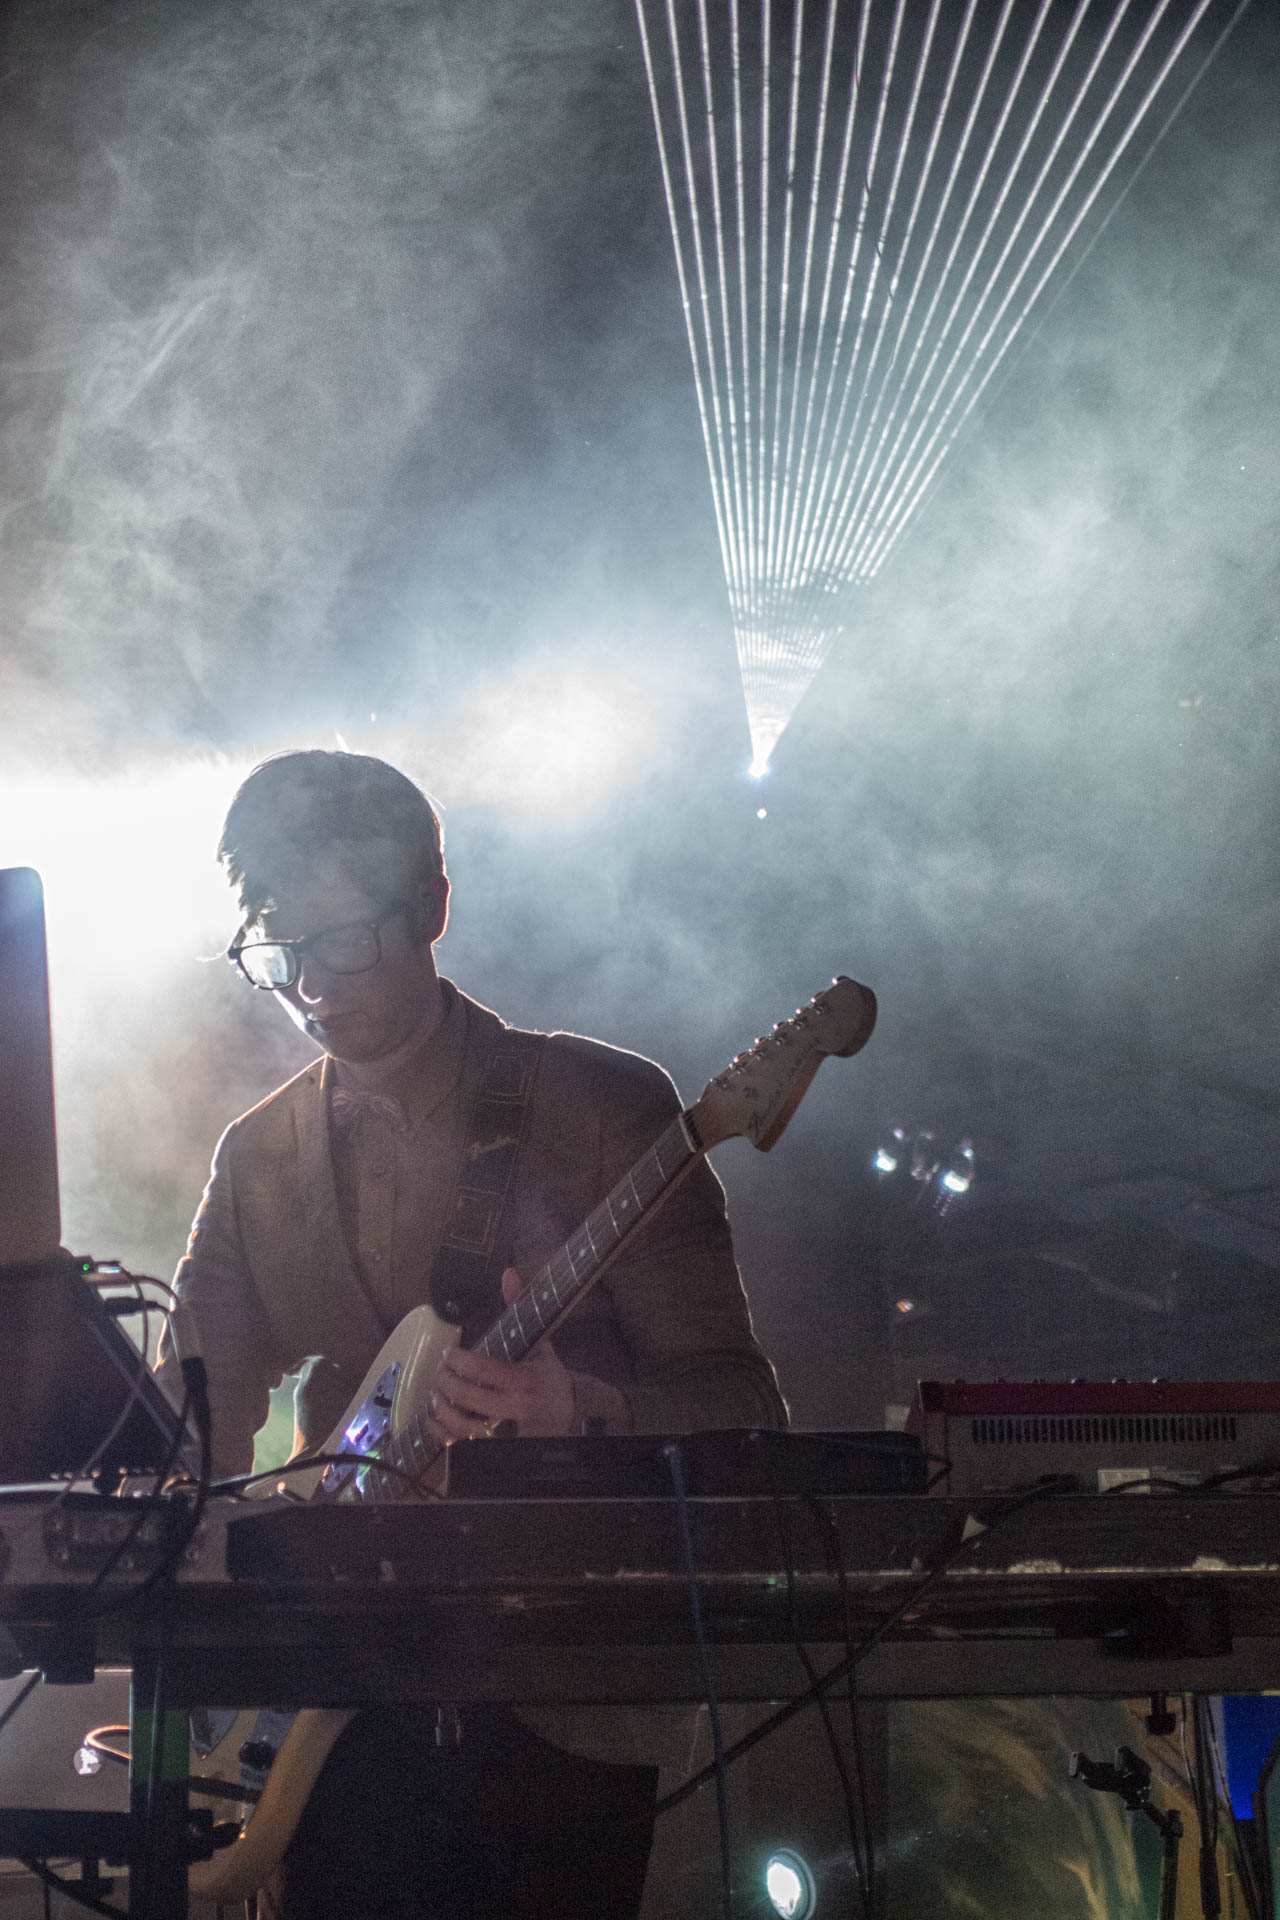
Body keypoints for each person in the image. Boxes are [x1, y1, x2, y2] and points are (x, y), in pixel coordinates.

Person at [163, 748, 786, 1920]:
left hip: (561, 1700)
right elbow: (187, 1416)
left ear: (433, 908)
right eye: (275, 952)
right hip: (334, 1708)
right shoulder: (257, 1157)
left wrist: (581, 1419)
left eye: (341, 939)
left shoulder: (601, 1108)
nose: (308, 985)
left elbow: (747, 1411)